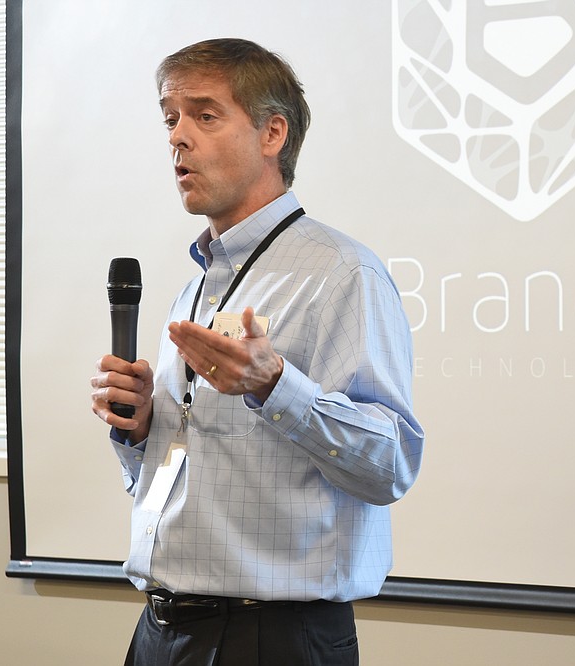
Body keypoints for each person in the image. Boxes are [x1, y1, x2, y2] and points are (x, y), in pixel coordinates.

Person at [90, 37, 424, 665]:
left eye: (204, 115)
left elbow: (392, 464)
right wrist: (137, 434)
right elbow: (182, 468)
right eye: (170, 118)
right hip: (161, 628)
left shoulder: (342, 273)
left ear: (274, 133)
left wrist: (278, 388)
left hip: (270, 640)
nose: (177, 138)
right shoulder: (195, 288)